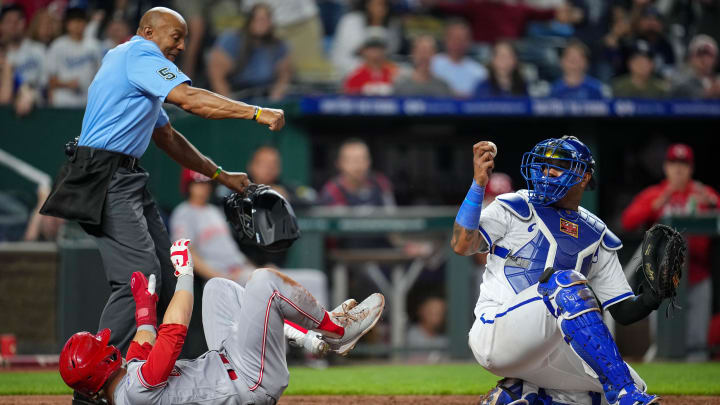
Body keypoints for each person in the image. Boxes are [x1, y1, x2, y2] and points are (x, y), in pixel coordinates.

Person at [40, 6, 286, 382]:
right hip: (104, 174)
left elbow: (168, 137)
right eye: (176, 36)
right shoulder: (138, 53)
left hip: (125, 175)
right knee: (138, 278)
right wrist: (255, 112)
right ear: (149, 31)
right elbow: (191, 100)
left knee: (168, 279)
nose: (182, 44)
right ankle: (94, 382)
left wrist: (220, 175)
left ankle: (161, 376)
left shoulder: (137, 71)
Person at [452, 137, 664, 404]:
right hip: (498, 333)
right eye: (544, 165)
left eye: (559, 165)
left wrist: (651, 298)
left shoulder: (596, 233)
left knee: (634, 382)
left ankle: (523, 394)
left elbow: (622, 310)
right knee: (566, 282)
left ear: (584, 177)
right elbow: (461, 244)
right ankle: (624, 393)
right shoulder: (514, 206)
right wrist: (478, 185)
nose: (547, 172)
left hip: (551, 350)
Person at [59, 239, 385, 405]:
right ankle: (337, 331)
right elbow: (174, 332)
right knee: (264, 282)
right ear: (104, 360)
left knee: (217, 289)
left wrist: (146, 306)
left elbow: (145, 339)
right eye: (102, 346)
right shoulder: (137, 393)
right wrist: (184, 273)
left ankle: (305, 338)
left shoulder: (124, 386)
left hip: (228, 366)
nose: (108, 342)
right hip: (250, 384)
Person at [621, 143, 719, 360]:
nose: (678, 169)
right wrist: (658, 203)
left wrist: (713, 204)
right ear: (666, 167)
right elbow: (628, 221)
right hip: (663, 279)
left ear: (691, 168)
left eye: (683, 164)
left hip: (697, 276)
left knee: (697, 344)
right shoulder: (655, 194)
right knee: (664, 343)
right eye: (674, 163)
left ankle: (697, 394)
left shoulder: (704, 193)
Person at [171, 169, 256, 283]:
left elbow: (231, 249)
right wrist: (220, 277)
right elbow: (186, 253)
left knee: (277, 277)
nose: (204, 187)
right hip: (221, 277)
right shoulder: (183, 212)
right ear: (189, 185)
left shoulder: (215, 211)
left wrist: (257, 269)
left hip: (241, 270)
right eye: (198, 183)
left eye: (207, 183)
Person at [207, 4, 291, 101]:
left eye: (266, 20)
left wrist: (277, 94)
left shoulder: (278, 45)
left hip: (265, 95)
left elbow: (284, 74)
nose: (262, 24)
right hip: (237, 95)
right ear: (249, 21)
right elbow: (216, 76)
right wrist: (230, 104)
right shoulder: (231, 41)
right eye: (258, 19)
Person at [45, 7, 103, 108]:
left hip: (87, 103)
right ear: (67, 24)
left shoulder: (94, 45)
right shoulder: (58, 46)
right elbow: (49, 80)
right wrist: (66, 84)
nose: (78, 25)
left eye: (81, 21)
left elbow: (101, 75)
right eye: (74, 21)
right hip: (62, 102)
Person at [331, 0, 401, 78]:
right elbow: (343, 56)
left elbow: (390, 53)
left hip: (380, 72)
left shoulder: (392, 25)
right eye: (376, 4)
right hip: (347, 68)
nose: (380, 9)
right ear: (367, 4)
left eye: (384, 5)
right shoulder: (351, 21)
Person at [319, 138, 395, 207]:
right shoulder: (332, 190)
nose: (358, 166)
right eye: (352, 160)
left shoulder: (381, 183)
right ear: (339, 164)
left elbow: (391, 214)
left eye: (362, 159)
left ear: (369, 161)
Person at [0, 4, 45, 109]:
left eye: (17, 21)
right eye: (9, 21)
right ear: (1, 25)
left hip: (38, 109)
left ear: (24, 23)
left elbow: (45, 85)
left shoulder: (38, 49)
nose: (14, 25)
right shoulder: (2, 55)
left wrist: (32, 94)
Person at [430, 19, 487, 97]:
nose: (458, 42)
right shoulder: (432, 63)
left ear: (469, 41)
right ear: (446, 39)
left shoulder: (479, 72)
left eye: (462, 39)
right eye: (454, 38)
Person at [671, 34, 720, 99]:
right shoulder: (680, 80)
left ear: (716, 59)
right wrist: (708, 94)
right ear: (690, 58)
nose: (704, 59)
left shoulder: (717, 79)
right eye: (700, 54)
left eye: (709, 55)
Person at [406, 296, 448, 362]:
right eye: (432, 312)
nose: (436, 316)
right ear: (421, 311)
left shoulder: (444, 339)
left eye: (440, 312)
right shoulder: (411, 335)